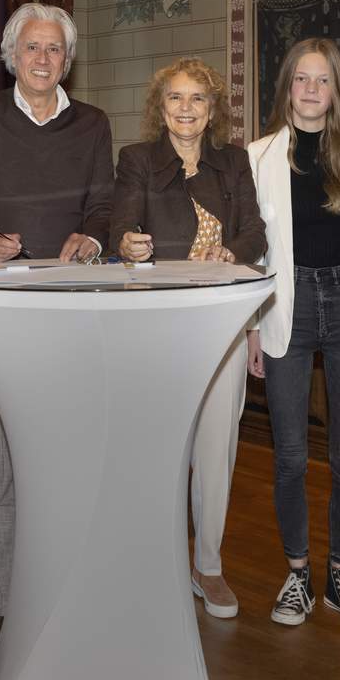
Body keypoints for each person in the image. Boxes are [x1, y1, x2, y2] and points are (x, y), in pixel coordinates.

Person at [0, 2, 114, 677]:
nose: (43, 60)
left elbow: (103, 200)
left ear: (67, 60)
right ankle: (9, 608)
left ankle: (71, 595)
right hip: (2, 319)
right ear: (12, 56)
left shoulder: (92, 123)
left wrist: (94, 236)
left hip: (74, 316)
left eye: (55, 50)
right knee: (5, 466)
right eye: (32, 48)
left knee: (73, 461)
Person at [111, 57, 266, 617]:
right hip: (157, 325)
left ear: (212, 108)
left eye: (197, 98)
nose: (185, 108)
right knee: (157, 448)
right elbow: (119, 225)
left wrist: (235, 252)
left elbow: (255, 232)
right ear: (161, 106)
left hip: (220, 323)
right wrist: (127, 243)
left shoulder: (234, 163)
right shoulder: (138, 161)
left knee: (216, 449)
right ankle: (155, 559)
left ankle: (209, 565)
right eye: (175, 97)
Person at [246, 37, 340, 630]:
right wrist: (252, 327)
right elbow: (251, 254)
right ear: (287, 88)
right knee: (291, 459)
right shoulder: (257, 156)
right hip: (286, 307)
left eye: (322, 80)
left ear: (336, 91)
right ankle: (299, 573)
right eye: (301, 79)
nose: (310, 90)